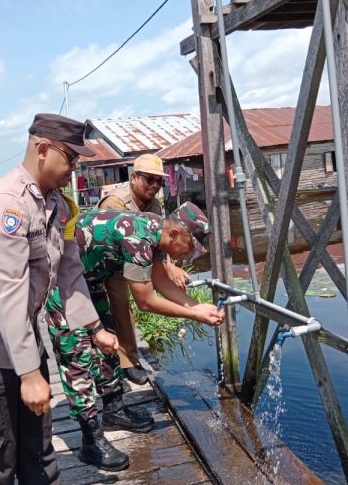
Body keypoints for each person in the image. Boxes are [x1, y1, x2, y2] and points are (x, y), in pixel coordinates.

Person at [0, 114, 119, 485]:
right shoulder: (6, 204)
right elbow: (7, 291)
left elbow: (69, 271)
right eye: (70, 157)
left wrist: (94, 327)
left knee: (38, 450)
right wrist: (31, 374)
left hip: (20, 337)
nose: (74, 167)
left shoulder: (57, 205)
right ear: (43, 149)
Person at [45, 202, 225, 472]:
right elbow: (146, 301)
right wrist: (195, 315)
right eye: (190, 246)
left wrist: (198, 307)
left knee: (110, 344)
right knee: (77, 359)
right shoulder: (138, 239)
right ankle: (90, 441)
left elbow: (161, 282)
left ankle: (114, 411)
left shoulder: (155, 232)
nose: (189, 253)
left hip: (89, 282)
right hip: (63, 287)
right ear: (174, 234)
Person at [97, 153, 192, 385]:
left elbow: (158, 242)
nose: (155, 185)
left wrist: (169, 266)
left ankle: (127, 357)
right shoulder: (115, 203)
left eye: (159, 181)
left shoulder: (155, 205)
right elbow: (112, 245)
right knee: (120, 302)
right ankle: (125, 362)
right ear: (134, 178)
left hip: (133, 259)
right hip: (106, 262)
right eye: (149, 179)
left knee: (139, 295)